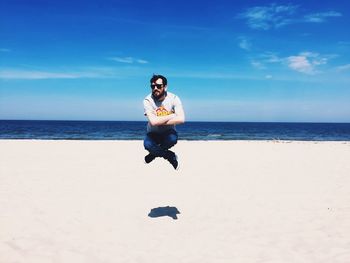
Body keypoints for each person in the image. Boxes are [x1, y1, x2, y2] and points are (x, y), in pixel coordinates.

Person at [143, 74, 185, 170]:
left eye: (158, 86)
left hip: (168, 132)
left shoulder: (174, 98)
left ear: (165, 87)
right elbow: (153, 122)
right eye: (153, 86)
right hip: (153, 132)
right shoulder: (147, 100)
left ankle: (153, 154)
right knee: (147, 145)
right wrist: (172, 115)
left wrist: (158, 121)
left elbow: (181, 119)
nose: (155, 88)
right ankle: (169, 155)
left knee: (172, 139)